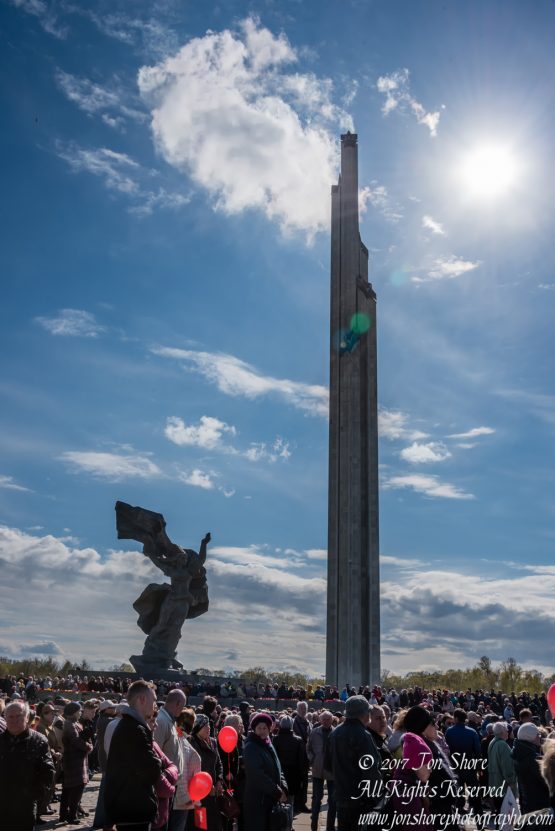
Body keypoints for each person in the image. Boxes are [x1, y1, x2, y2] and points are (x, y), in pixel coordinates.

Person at [104, 680, 162, 831]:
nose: (155, 705)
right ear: (142, 699)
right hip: (133, 810)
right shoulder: (134, 729)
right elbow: (152, 772)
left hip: (130, 808)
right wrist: (159, 761)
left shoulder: (130, 726)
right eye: (154, 700)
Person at [326, 695, 382, 831]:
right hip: (360, 801)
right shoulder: (363, 735)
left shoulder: (334, 733)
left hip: (341, 797)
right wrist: (377, 800)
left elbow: (327, 765)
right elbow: (371, 771)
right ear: (364, 714)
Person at [0, 700, 55, 831]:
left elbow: (48, 772)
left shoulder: (39, 740)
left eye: (19, 716)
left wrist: (33, 795)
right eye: (10, 717)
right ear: (5, 718)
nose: (14, 720)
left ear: (26, 717)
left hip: (25, 805)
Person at [243, 712, 289, 831]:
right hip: (258, 801)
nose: (262, 731)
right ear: (254, 729)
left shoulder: (268, 743)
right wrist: (277, 792)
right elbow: (257, 776)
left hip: (270, 798)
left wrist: (283, 786)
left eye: (265, 728)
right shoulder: (251, 747)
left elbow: (278, 767)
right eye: (259, 728)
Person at [154, 688, 187, 831]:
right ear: (178, 703)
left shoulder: (171, 720)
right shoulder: (161, 721)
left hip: (171, 784)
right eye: (183, 706)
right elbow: (155, 753)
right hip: (163, 784)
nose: (183, 709)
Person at [188, 713, 224, 831]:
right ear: (197, 727)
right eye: (205, 726)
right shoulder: (191, 743)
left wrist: (219, 781)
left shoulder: (213, 742)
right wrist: (207, 788)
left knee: (214, 824)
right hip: (199, 794)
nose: (208, 727)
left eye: (208, 725)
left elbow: (219, 763)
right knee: (200, 824)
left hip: (214, 793)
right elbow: (192, 770)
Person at [445, 708, 482, 815]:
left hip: (455, 765)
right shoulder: (472, 732)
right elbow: (477, 751)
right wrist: (479, 767)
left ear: (456, 718)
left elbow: (447, 750)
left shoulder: (449, 731)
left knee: (458, 789)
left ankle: (460, 810)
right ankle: (478, 812)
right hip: (469, 765)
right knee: (474, 790)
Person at [61, 701, 93, 824]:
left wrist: (87, 740)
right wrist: (88, 746)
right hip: (74, 761)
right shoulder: (69, 725)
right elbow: (76, 742)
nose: (80, 713)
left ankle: (65, 814)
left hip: (77, 760)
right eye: (79, 711)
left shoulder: (74, 724)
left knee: (70, 789)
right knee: (75, 789)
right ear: (74, 712)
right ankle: (71, 816)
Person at [512, 722, 550, 814]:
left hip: (527, 802)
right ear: (531, 737)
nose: (539, 737)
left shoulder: (518, 752)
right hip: (539, 804)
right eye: (537, 735)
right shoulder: (532, 758)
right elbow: (547, 781)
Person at [307, 709, 335, 831]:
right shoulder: (314, 732)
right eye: (324, 719)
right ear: (320, 720)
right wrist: (312, 758)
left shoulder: (336, 732)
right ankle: (314, 824)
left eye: (328, 719)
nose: (326, 721)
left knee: (333, 801)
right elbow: (308, 748)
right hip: (318, 769)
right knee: (316, 798)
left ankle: (330, 827)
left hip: (332, 771)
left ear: (332, 720)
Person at [273, 715, 307, 815]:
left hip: (280, 772)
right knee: (291, 799)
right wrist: (302, 774)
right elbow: (301, 759)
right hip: (294, 773)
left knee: (280, 799)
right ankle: (289, 819)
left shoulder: (276, 739)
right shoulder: (298, 740)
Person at [487, 722, 517, 812]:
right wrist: (511, 781)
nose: (508, 732)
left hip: (495, 783)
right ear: (502, 732)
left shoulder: (493, 742)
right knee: (505, 813)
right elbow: (507, 766)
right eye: (506, 730)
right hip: (503, 785)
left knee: (499, 811)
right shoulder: (502, 745)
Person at [292, 701, 311, 812]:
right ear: (297, 709)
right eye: (301, 708)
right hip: (297, 756)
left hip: (305, 756)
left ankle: (302, 803)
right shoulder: (294, 722)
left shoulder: (308, 723)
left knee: (305, 781)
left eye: (305, 708)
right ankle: (296, 804)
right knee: (297, 781)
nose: (303, 710)